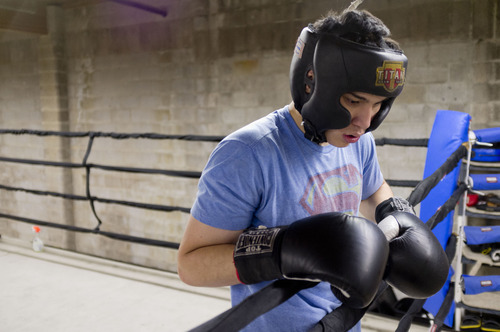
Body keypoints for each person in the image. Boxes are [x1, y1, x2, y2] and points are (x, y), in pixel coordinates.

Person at [178, 8, 448, 332]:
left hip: (345, 322)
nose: (364, 122)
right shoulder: (247, 154)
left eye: (377, 105)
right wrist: (286, 250)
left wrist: (397, 216)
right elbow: (190, 265)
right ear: (311, 81)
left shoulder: (358, 141)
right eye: (353, 101)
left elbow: (374, 190)